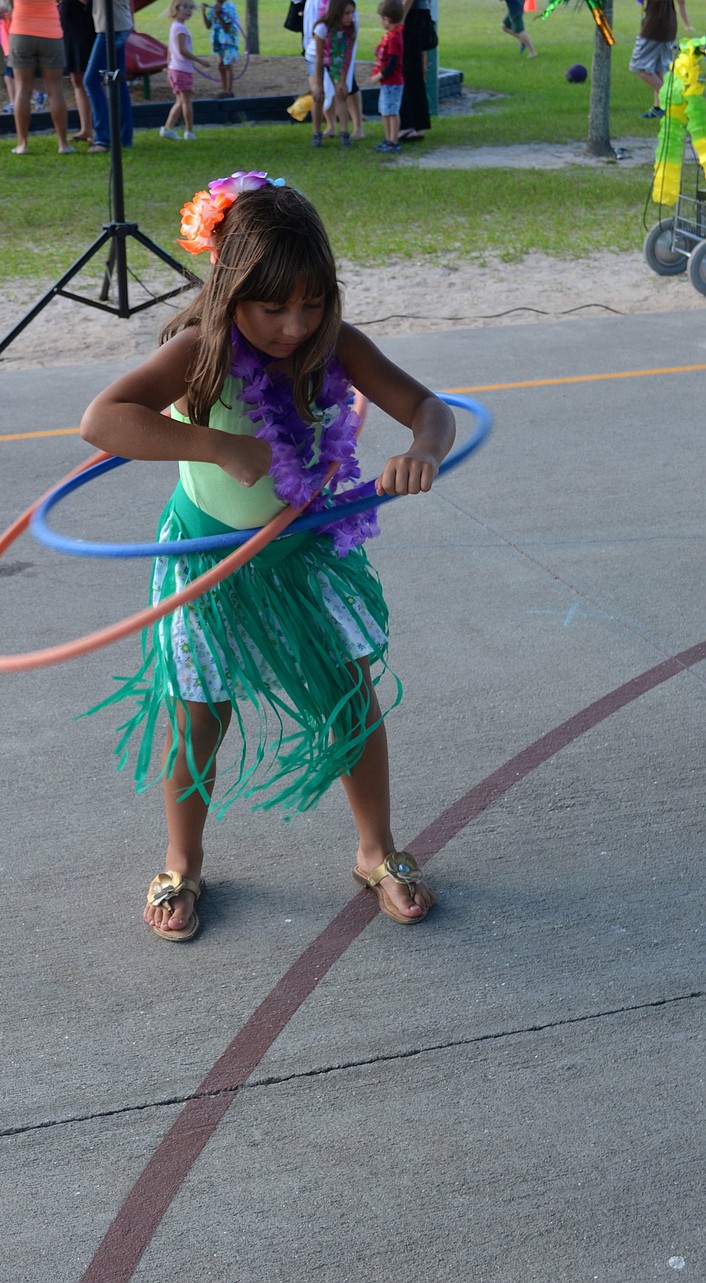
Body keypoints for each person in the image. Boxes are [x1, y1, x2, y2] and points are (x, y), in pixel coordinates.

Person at [79, 173, 456, 941]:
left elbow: (430, 407)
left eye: (312, 303)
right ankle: (182, 860)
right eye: (273, 306)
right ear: (228, 291)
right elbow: (103, 421)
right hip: (206, 563)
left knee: (350, 698)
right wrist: (216, 445)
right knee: (199, 713)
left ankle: (376, 850)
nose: (293, 325)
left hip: (301, 560)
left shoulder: (333, 348)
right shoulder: (199, 353)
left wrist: (422, 450)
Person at [8, 0, 74, 153]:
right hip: (50, 32)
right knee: (55, 89)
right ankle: (63, 144)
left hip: (21, 31)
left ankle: (22, 144)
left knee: (22, 89)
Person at [83, 0, 134, 154]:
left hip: (111, 29)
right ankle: (124, 138)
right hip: (119, 24)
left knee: (91, 80)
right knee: (117, 80)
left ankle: (103, 139)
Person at [629, 0, 693, 118]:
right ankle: (659, 108)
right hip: (667, 27)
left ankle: (674, 98)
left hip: (654, 29)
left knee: (639, 67)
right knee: (657, 68)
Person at [161, 0, 209, 140]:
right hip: (181, 70)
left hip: (176, 69)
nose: (188, 11)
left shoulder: (175, 27)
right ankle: (189, 132)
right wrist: (199, 60)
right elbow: (182, 50)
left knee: (180, 101)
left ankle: (167, 129)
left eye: (191, 8)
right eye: (185, 7)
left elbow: (171, 49)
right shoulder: (180, 29)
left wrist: (169, 65)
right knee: (187, 102)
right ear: (176, 9)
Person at [313, 0, 358, 146]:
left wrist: (343, 80)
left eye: (352, 12)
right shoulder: (322, 29)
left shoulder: (351, 29)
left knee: (341, 93)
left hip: (337, 60)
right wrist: (318, 84)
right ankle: (317, 133)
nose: (350, 17)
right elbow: (319, 59)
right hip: (319, 58)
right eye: (347, 13)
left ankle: (344, 133)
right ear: (337, 13)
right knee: (318, 96)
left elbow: (347, 56)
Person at [397, 0, 436, 140]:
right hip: (415, 15)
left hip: (410, 16)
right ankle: (417, 123)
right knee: (413, 71)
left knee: (405, 71)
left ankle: (407, 125)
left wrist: (399, 19)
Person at [59, 0, 95, 141]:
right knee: (77, 78)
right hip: (70, 23)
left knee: (96, 78)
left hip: (86, 22)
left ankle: (100, 127)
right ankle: (86, 128)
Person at [371, 0, 403, 153]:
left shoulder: (393, 38)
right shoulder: (393, 36)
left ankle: (393, 141)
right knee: (385, 111)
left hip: (392, 82)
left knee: (391, 111)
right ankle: (388, 139)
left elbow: (393, 63)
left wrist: (379, 76)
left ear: (387, 20)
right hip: (389, 83)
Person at [201, 0, 239, 98]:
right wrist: (203, 12)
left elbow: (227, 28)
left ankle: (229, 91)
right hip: (217, 41)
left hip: (228, 41)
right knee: (220, 65)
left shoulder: (230, 6)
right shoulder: (214, 7)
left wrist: (218, 15)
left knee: (228, 65)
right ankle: (224, 89)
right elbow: (208, 25)